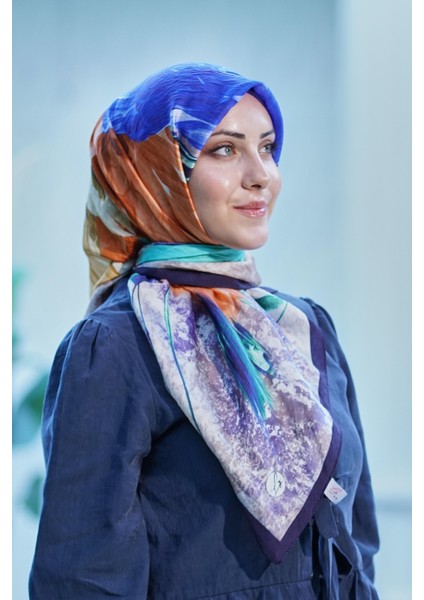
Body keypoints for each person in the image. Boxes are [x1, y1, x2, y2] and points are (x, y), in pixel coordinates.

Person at [29, 63, 379, 599]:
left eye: (268, 147)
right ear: (155, 172)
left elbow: (357, 542)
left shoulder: (303, 327)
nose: (260, 175)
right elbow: (83, 581)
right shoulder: (118, 345)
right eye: (224, 149)